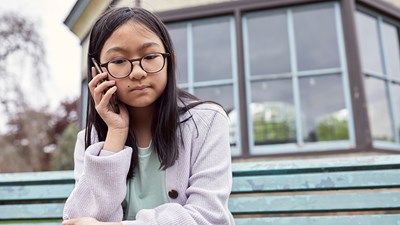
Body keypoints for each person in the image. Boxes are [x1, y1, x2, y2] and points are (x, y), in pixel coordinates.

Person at [62, 6, 234, 225]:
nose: (137, 73)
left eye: (150, 56)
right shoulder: (92, 139)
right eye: (119, 61)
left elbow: (208, 216)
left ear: (170, 60)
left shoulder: (207, 121)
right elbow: (81, 218)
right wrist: (115, 134)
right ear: (97, 71)